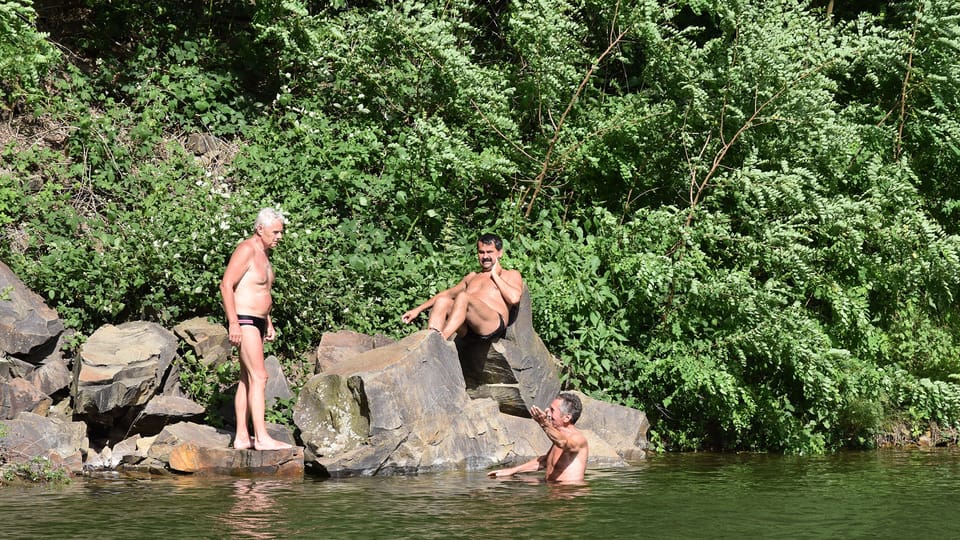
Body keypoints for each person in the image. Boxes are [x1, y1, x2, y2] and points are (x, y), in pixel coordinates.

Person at [220, 208, 293, 451]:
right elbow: (226, 285)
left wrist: (269, 321)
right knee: (260, 376)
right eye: (275, 232)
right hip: (245, 320)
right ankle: (261, 437)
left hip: (258, 321)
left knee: (247, 379)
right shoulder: (247, 250)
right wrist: (233, 322)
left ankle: (242, 436)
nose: (279, 237)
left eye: (281, 232)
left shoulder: (264, 253)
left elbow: (262, 291)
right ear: (260, 229)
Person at [401, 233, 523, 340]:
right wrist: (417, 310)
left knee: (464, 297)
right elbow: (447, 294)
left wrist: (495, 275)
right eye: (481, 252)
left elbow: (514, 298)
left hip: (491, 324)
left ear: (500, 253)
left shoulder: (510, 274)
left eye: (489, 252)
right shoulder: (472, 277)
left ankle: (440, 339)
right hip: (468, 329)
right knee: (442, 301)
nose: (485, 256)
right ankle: (432, 337)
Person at [487, 392, 589, 483]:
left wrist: (544, 424)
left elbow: (563, 443)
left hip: (569, 496)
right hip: (554, 494)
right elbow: (545, 461)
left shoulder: (578, 439)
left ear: (566, 418)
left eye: (552, 410)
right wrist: (512, 471)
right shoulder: (557, 437)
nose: (547, 412)